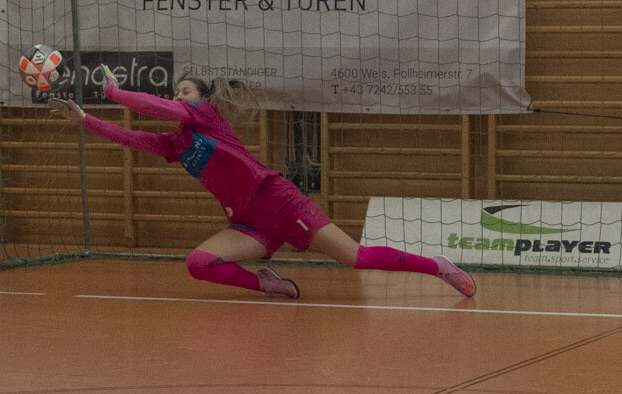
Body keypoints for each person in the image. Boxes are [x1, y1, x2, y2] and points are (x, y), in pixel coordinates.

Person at [51, 69, 474, 301]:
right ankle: (269, 285)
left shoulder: (207, 117)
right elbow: (132, 137)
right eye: (175, 92)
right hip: (248, 221)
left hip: (279, 201)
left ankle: (437, 266)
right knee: (199, 264)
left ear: (202, 100)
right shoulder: (174, 144)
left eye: (185, 92)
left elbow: (158, 108)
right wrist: (86, 120)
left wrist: (115, 92)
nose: (178, 98)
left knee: (357, 258)